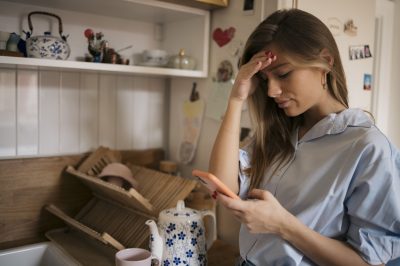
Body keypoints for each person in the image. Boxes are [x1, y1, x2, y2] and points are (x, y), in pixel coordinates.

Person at [208, 8, 400, 266]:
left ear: (326, 62)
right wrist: (236, 98)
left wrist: (282, 224)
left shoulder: (368, 148)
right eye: (265, 80)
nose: (273, 91)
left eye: (284, 73)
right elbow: (222, 186)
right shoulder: (280, 133)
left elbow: (367, 263)